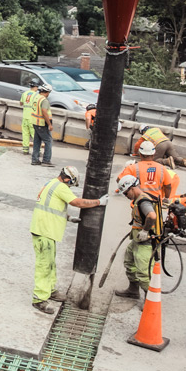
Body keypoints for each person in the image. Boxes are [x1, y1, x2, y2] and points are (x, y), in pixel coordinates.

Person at [30, 166, 109, 314]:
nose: (69, 186)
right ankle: (39, 299)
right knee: (44, 266)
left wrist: (67, 218)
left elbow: (50, 206)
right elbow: (77, 202)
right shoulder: (60, 187)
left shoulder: (51, 183)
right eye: (70, 184)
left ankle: (50, 290)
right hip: (44, 231)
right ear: (68, 179)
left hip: (45, 230)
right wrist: (99, 202)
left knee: (50, 263)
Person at [114, 174, 162, 300]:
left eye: (126, 193)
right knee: (129, 263)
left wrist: (145, 231)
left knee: (144, 272)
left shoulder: (143, 201)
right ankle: (133, 290)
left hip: (146, 243)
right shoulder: (139, 199)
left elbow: (151, 216)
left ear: (132, 188)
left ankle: (150, 299)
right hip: (137, 240)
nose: (126, 196)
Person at [31, 83, 54, 167]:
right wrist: (49, 124)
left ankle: (35, 159)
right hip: (41, 123)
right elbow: (44, 112)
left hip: (35, 122)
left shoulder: (36, 97)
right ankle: (46, 161)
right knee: (48, 141)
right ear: (47, 92)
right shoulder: (44, 100)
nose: (48, 94)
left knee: (37, 141)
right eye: (49, 93)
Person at [19, 79, 39, 155]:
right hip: (32, 118)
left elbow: (21, 103)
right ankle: (38, 151)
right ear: (36, 87)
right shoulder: (36, 95)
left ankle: (25, 150)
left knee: (25, 134)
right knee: (35, 135)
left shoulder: (24, 93)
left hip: (25, 117)